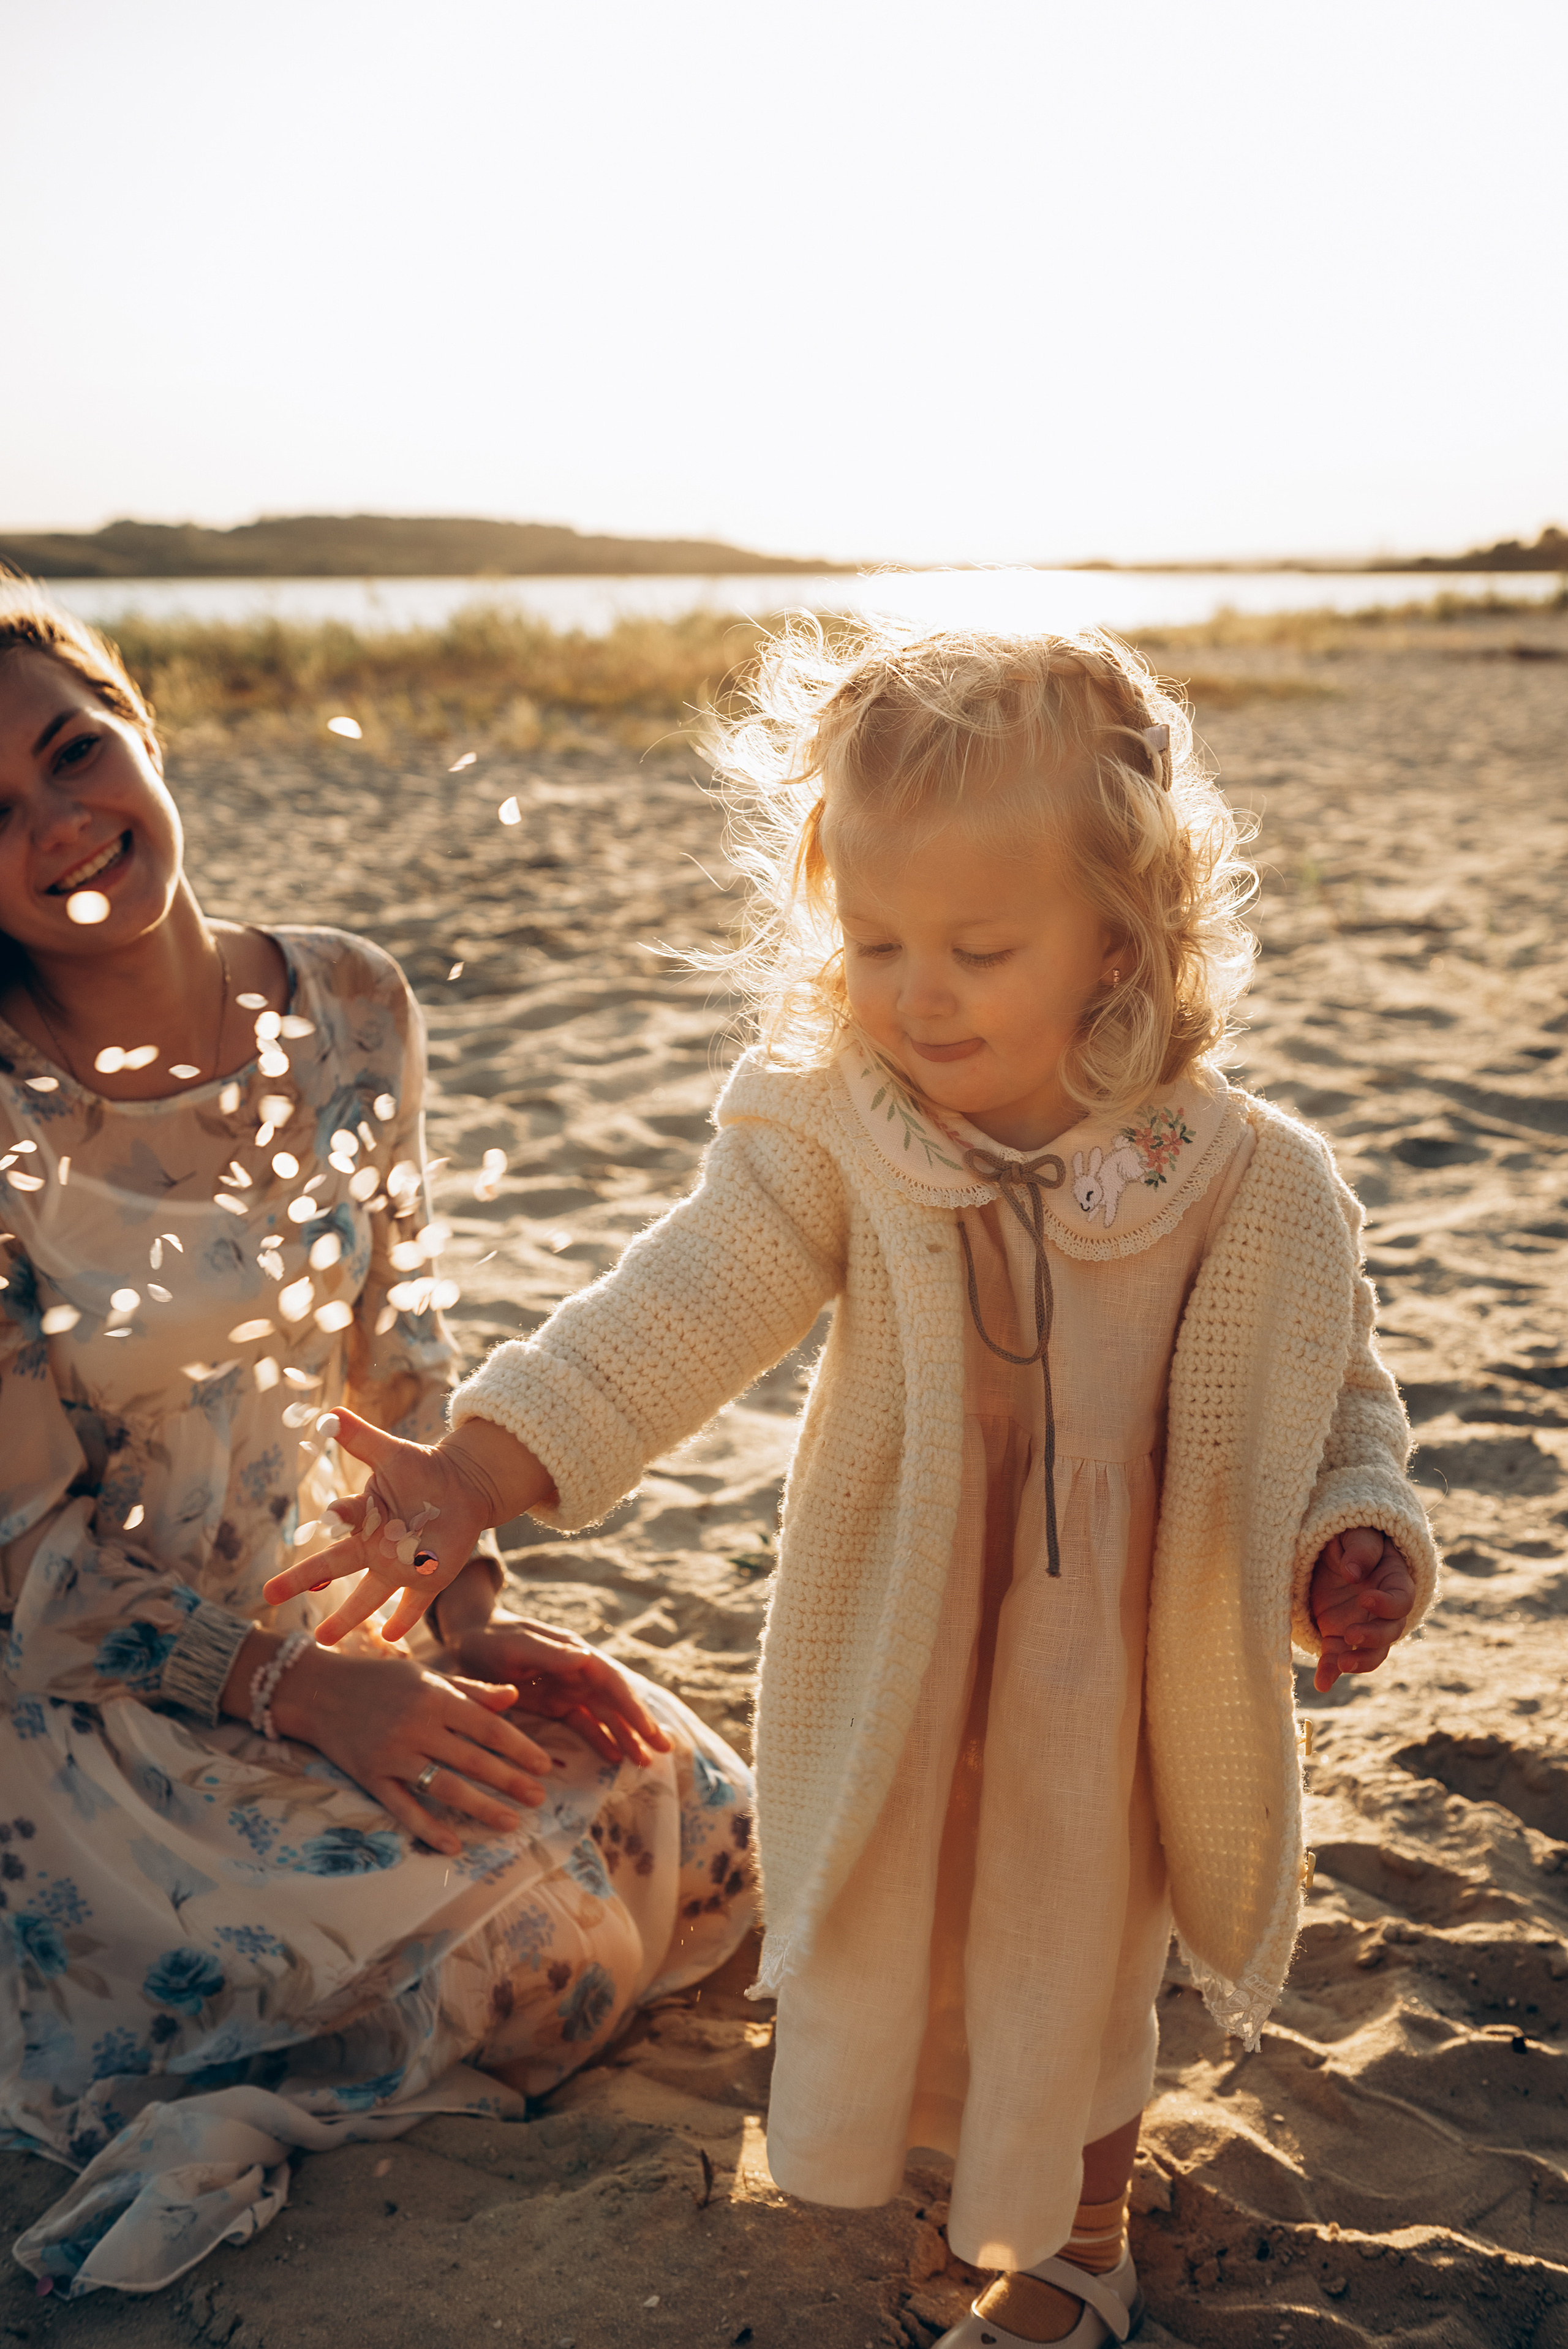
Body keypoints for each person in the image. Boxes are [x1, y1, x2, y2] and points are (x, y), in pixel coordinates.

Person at [270, 624, 1439, 2349]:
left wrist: (1357, 1532)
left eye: (978, 946)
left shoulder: (1244, 1180)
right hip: (898, 1622)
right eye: (877, 942)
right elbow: (680, 1299)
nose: (919, 993)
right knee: (913, 1917)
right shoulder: (846, 1130)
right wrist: (484, 1465)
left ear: (1120, 936)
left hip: (1104, 1663)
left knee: (1076, 1949)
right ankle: (962, 2183)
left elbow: (1333, 1390)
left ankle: (1074, 2243)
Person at [0, 584, 755, 2300]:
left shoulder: (349, 1002)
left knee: (685, 1813)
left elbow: (398, 1367)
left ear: (138, 731)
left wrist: (462, 1612)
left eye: (73, 749)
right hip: (97, 1716)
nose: (60, 822)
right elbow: (22, 1568)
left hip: (339, 1612)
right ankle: (244, 2107)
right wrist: (309, 1694)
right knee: (535, 1948)